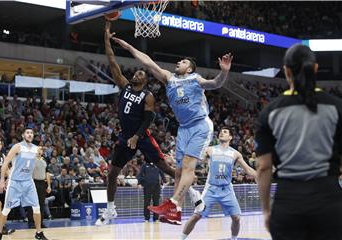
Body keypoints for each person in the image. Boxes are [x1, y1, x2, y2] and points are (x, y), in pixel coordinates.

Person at [112, 30, 233, 224]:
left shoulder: (196, 79)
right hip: (183, 128)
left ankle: (173, 202)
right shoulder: (168, 78)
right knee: (178, 171)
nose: (179, 62)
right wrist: (127, 46)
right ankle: (176, 213)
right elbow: (147, 61)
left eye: (184, 62)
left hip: (200, 125)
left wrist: (224, 71)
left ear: (190, 69)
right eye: (180, 61)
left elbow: (214, 83)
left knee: (187, 166)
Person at [95, 21, 201, 225]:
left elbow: (149, 119)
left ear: (144, 80)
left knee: (166, 168)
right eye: (135, 73)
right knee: (112, 174)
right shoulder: (125, 86)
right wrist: (106, 38)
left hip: (142, 137)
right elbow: (111, 59)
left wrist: (137, 136)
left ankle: (193, 193)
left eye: (140, 74)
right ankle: (110, 210)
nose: (136, 74)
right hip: (125, 138)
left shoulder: (147, 95)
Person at [255, 44, 342, 240]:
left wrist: (267, 210)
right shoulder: (336, 107)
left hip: (288, 206)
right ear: (316, 69)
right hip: (329, 204)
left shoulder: (270, 112)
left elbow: (263, 168)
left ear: (286, 71)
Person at [181, 127, 257, 240]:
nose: (222, 133)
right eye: (221, 131)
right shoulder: (210, 150)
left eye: (225, 132)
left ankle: (234, 239)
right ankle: (182, 238)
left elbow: (248, 169)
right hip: (211, 188)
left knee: (236, 218)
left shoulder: (235, 154)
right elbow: (195, 159)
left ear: (230, 137)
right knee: (196, 216)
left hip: (227, 190)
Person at [0, 128, 48, 240]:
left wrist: (41, 154)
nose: (30, 135)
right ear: (23, 135)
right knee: (6, 209)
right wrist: (2, 180)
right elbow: (5, 163)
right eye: (27, 133)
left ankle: (38, 233)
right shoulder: (17, 147)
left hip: (29, 182)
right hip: (15, 182)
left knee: (37, 208)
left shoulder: (36, 149)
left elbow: (38, 161)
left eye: (31, 133)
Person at [27, 147, 51, 229]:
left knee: (41, 203)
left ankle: (40, 222)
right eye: (38, 150)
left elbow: (47, 173)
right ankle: (31, 222)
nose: (39, 151)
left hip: (42, 183)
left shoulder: (45, 160)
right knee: (32, 203)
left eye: (41, 150)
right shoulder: (32, 160)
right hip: (33, 182)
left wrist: (49, 185)